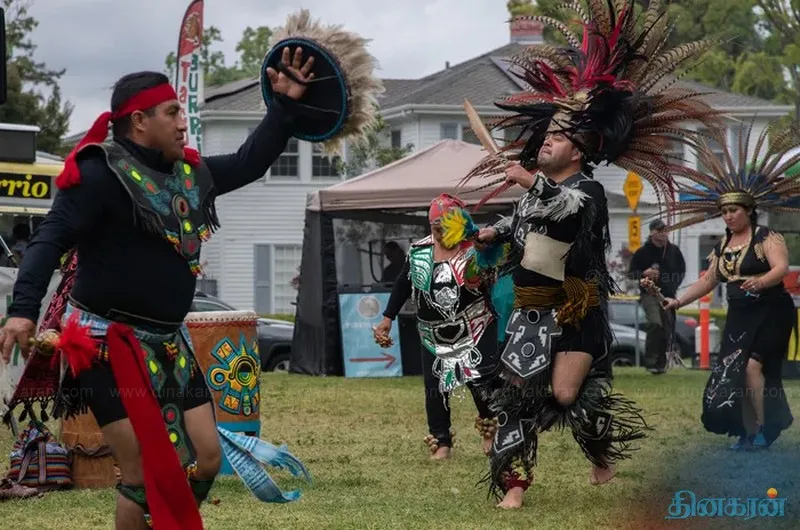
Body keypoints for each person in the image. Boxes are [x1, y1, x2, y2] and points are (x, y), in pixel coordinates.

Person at [0, 48, 314, 529]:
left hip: (169, 344)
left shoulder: (189, 175)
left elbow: (249, 163)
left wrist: (284, 106)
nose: (183, 123)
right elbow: (49, 239)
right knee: (142, 472)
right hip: (104, 346)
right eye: (172, 113)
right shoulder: (98, 173)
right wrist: (23, 309)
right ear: (139, 121)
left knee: (207, 457)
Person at [461, 0, 719, 509]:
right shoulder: (535, 193)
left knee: (564, 395)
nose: (545, 142)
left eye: (557, 137)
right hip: (532, 308)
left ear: (577, 150)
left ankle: (600, 451)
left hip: (576, 310)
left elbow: (569, 212)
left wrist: (531, 182)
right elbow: (523, 222)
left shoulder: (588, 191)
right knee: (517, 394)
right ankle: (514, 485)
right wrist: (494, 232)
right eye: (546, 136)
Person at [660, 121, 796, 451]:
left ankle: (763, 429)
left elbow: (781, 268)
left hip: (771, 311)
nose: (728, 216)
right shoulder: (722, 246)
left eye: (733, 210)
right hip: (739, 315)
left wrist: (760, 281)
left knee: (752, 367)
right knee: (733, 372)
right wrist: (678, 302)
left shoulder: (766, 237)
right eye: (723, 212)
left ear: (749, 210)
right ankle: (746, 432)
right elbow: (708, 280)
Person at [374, 194, 500, 459]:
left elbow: (495, 283)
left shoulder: (475, 247)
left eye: (446, 228)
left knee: (480, 381)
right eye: (436, 228)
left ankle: (490, 428)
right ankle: (441, 441)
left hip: (474, 325)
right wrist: (387, 318)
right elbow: (402, 284)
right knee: (434, 387)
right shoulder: (419, 251)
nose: (441, 234)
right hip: (433, 332)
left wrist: (484, 255)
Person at [629, 219, 686, 374]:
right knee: (655, 323)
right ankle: (650, 362)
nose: (663, 234)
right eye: (659, 230)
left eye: (665, 230)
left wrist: (674, 286)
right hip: (650, 294)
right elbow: (631, 273)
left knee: (667, 328)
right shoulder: (642, 252)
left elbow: (681, 271)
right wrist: (643, 273)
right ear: (652, 232)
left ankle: (660, 365)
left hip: (669, 295)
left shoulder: (674, 251)